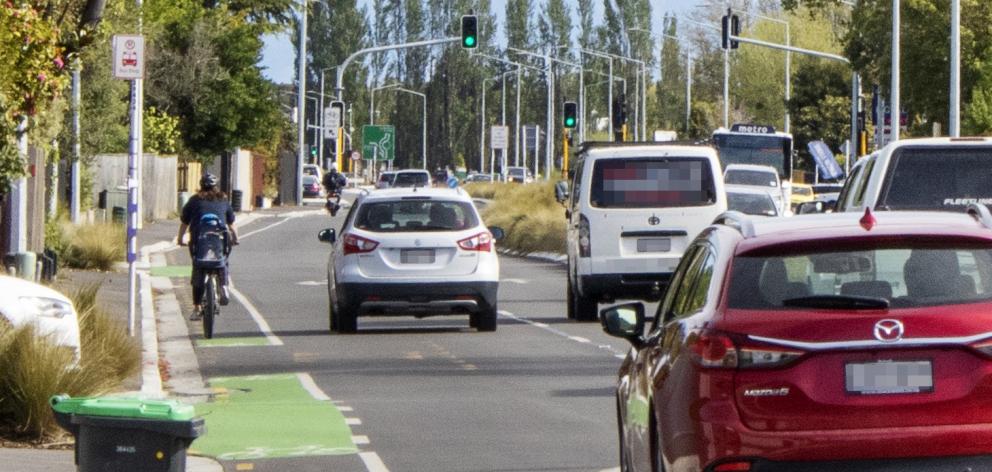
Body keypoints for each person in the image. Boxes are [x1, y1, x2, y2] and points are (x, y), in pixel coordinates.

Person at [177, 174, 237, 320]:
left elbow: (184, 222)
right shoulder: (223, 199)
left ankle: (197, 308)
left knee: (198, 268)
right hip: (219, 241)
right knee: (223, 259)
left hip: (199, 242)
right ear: (216, 186)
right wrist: (235, 237)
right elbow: (231, 223)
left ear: (201, 185)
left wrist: (180, 239)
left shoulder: (194, 200)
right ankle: (223, 285)